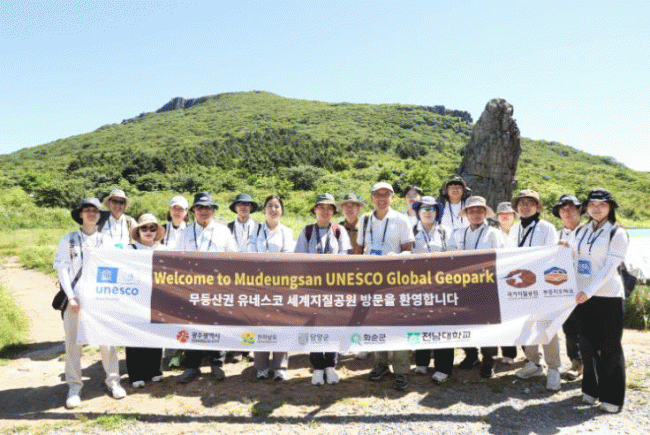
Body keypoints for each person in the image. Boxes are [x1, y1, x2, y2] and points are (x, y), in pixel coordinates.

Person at [53, 198, 126, 408]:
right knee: (73, 344)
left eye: (95, 211)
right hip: (75, 300)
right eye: (87, 210)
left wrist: (111, 297)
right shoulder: (68, 239)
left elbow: (114, 268)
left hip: (100, 300)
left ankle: (113, 381)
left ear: (100, 215)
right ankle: (74, 386)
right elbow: (62, 268)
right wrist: (71, 296)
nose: (91, 214)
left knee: (107, 343)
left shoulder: (106, 240)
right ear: (81, 214)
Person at [571, 188, 628, 413]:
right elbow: (574, 258)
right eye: (592, 204)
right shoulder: (582, 230)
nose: (596, 208)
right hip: (583, 296)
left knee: (610, 347)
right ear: (586, 207)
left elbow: (610, 267)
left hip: (609, 296)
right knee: (587, 344)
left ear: (610, 207)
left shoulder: (617, 232)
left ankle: (612, 398)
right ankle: (590, 390)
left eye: (602, 204)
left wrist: (589, 290)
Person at [356, 182, 414, 390]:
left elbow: (408, 249)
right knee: (375, 323)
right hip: (371, 280)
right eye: (377, 195)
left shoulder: (401, 219)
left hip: (395, 280)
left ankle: (402, 371)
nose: (381, 198)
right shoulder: (364, 220)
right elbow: (360, 249)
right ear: (372, 197)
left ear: (392, 197)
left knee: (398, 324)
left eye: (386, 195)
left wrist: (396, 256)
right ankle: (380, 365)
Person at [177, 192, 238, 384]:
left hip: (216, 287)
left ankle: (217, 363)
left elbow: (234, 257)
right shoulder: (185, 232)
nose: (204, 211)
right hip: (192, 288)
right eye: (200, 207)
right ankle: (191, 366)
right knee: (191, 324)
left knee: (216, 324)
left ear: (213, 210)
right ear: (193, 210)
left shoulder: (223, 231)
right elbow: (177, 259)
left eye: (208, 208)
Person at [294, 193, 351, 385]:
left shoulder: (339, 231)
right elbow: (299, 258)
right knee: (314, 325)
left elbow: (345, 258)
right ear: (315, 210)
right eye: (321, 207)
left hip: (334, 287)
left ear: (333, 211)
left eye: (329, 208)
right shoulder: (307, 231)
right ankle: (317, 367)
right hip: (313, 288)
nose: (325, 211)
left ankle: (330, 365)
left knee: (333, 325)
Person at [511, 190, 562, 391]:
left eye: (530, 203)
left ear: (537, 207)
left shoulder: (547, 228)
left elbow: (552, 256)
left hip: (541, 286)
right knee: (526, 326)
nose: (525, 207)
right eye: (521, 203)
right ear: (517, 207)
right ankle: (533, 363)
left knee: (547, 327)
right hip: (519, 286)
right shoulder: (514, 229)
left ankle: (554, 368)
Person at [454, 196, 504, 378]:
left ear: (485, 213)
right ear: (467, 213)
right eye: (472, 211)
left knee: (487, 324)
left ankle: (489, 361)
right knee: (463, 321)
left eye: (479, 211)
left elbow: (501, 257)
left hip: (487, 284)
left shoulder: (494, 233)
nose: (476, 214)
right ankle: (471, 355)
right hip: (464, 284)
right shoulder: (459, 233)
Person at [248, 195, 296, 381]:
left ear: (281, 210)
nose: (273, 209)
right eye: (270, 206)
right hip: (259, 284)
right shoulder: (255, 230)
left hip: (280, 285)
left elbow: (288, 256)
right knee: (260, 323)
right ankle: (261, 366)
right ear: (264, 209)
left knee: (281, 323)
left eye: (277, 206)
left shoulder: (287, 232)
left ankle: (279, 366)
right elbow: (250, 253)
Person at [410, 196, 455, 383]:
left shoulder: (446, 231)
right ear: (418, 212)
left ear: (438, 212)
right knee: (420, 321)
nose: (427, 212)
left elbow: (453, 256)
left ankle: (444, 368)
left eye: (432, 209)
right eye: (423, 209)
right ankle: (421, 362)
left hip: (442, 285)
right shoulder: (412, 230)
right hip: (417, 284)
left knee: (442, 324)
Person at [126, 214, 165, 388]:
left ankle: (155, 370)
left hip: (157, 297)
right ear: (138, 231)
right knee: (134, 336)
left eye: (152, 228)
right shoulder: (128, 249)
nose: (148, 232)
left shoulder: (163, 249)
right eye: (144, 228)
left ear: (157, 231)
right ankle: (135, 375)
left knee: (155, 334)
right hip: (135, 297)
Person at [552, 194, 585, 380]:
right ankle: (576, 363)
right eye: (563, 208)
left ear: (579, 209)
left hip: (587, 287)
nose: (566, 211)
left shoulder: (589, 232)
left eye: (571, 207)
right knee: (570, 328)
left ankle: (593, 365)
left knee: (590, 328)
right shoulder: (556, 235)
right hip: (564, 289)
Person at [495, 201, 518, 363]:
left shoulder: (521, 230)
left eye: (508, 214)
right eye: (502, 214)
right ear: (497, 217)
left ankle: (531, 354)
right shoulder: (493, 233)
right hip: (499, 280)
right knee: (503, 318)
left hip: (520, 279)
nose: (505, 216)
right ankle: (508, 353)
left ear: (514, 216)